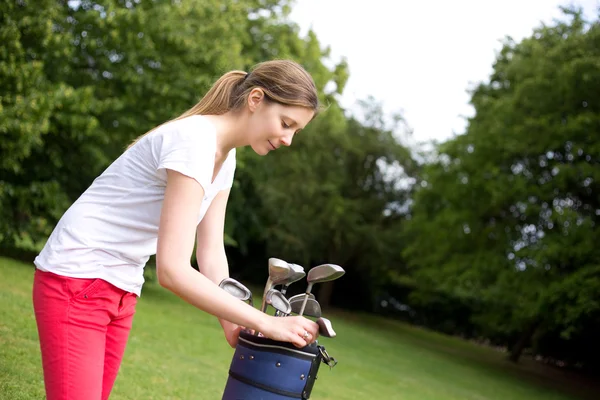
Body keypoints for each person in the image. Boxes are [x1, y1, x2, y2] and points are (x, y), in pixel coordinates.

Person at [32, 59, 321, 400]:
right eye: (286, 123)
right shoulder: (195, 142)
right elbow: (172, 270)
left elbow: (211, 252)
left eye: (296, 131)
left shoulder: (225, 157)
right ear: (255, 99)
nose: (288, 140)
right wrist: (267, 323)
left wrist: (234, 325)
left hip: (120, 285)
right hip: (77, 278)